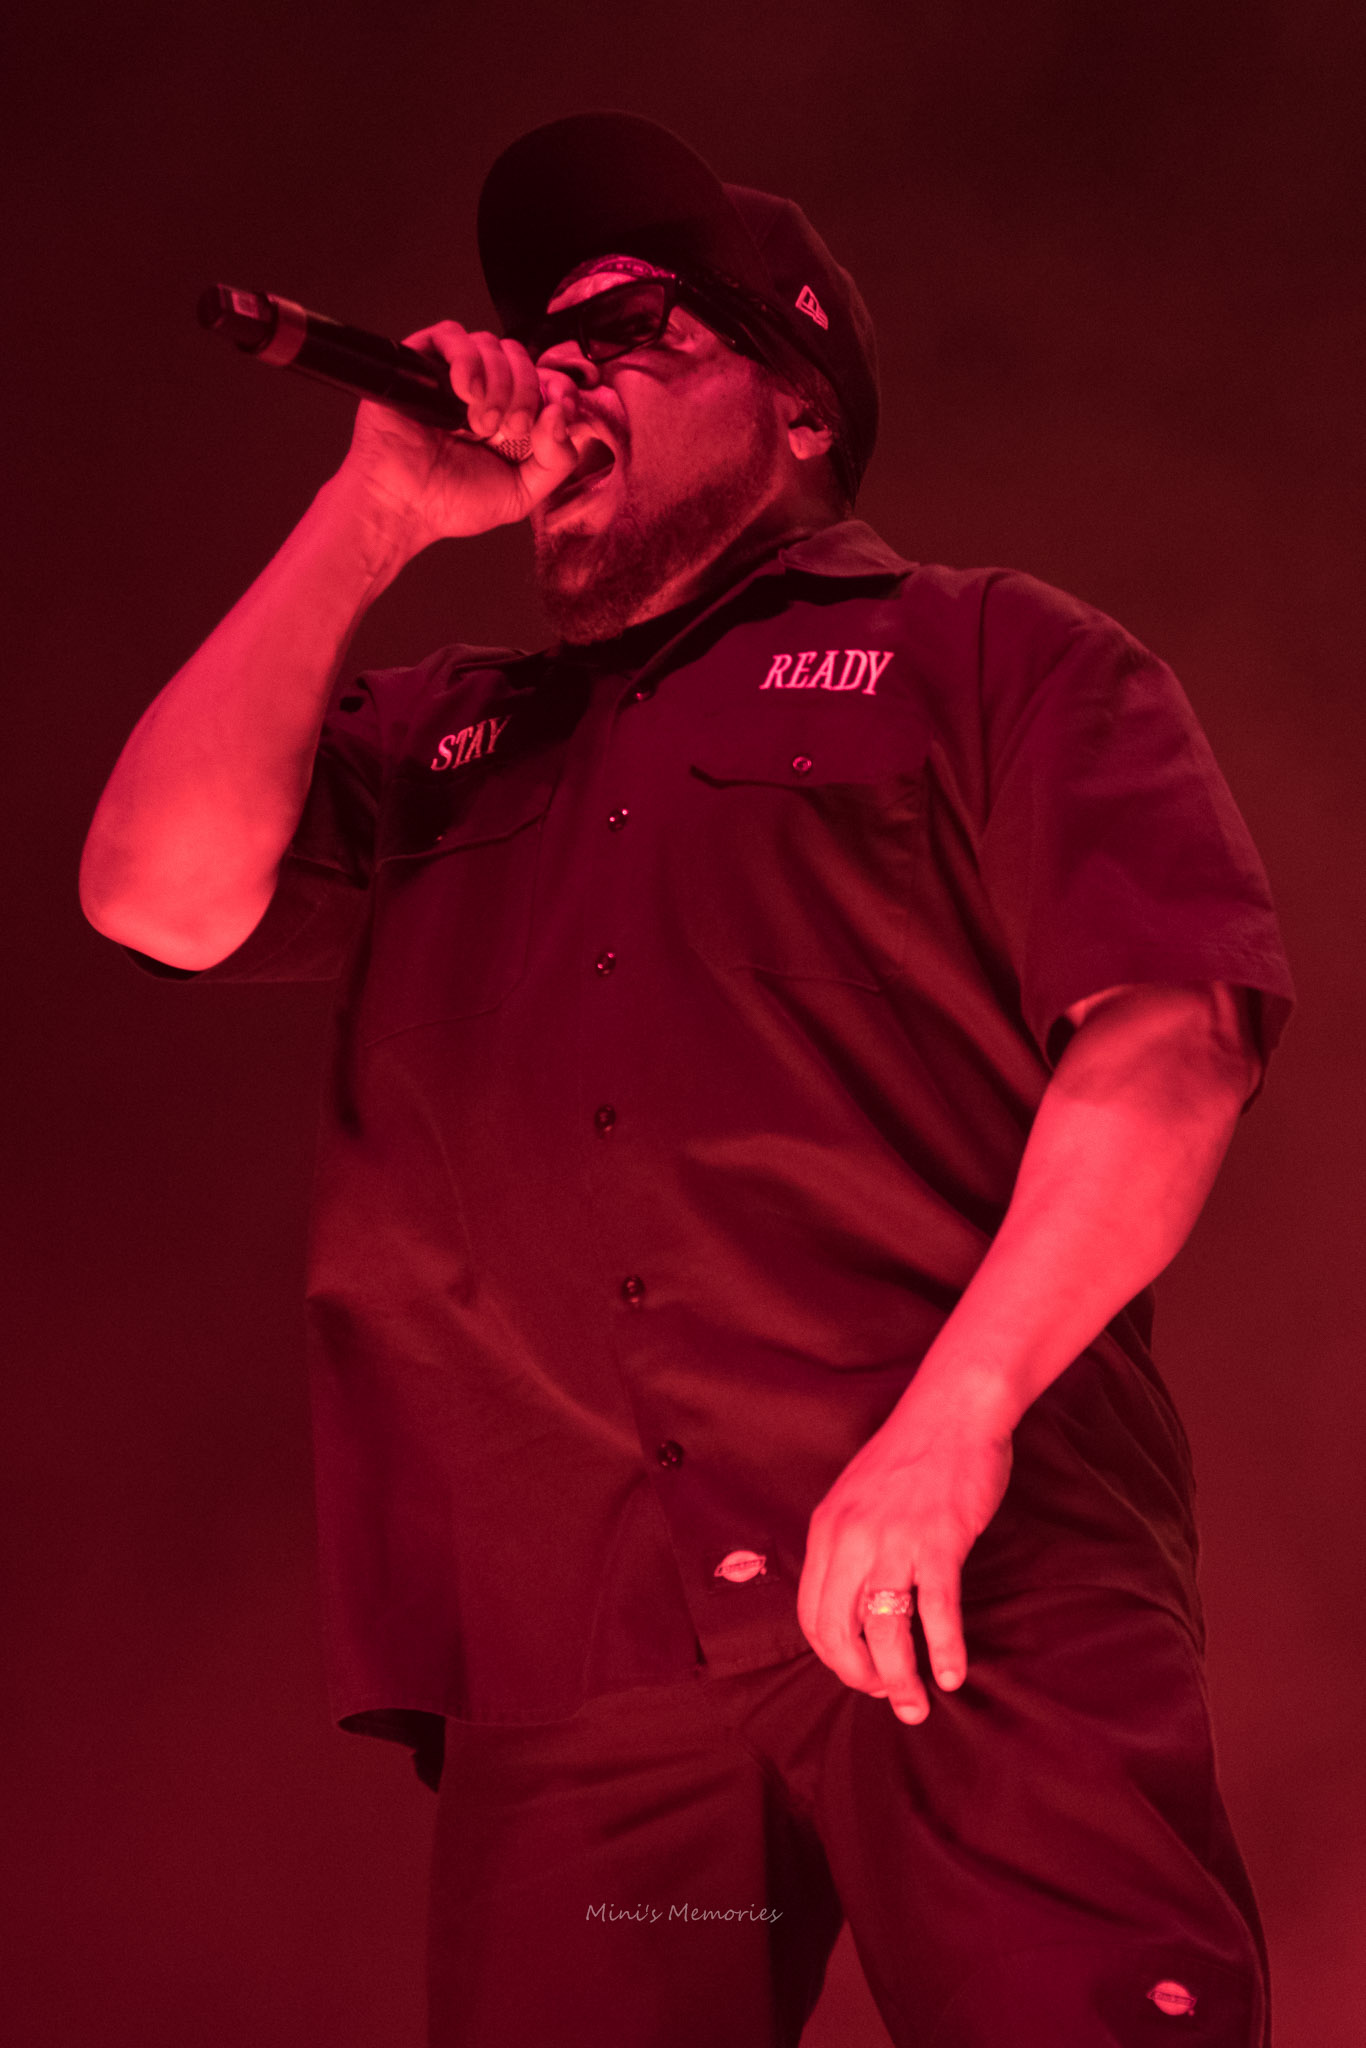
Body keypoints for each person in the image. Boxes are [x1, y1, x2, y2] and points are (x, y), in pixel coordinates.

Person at [80, 113, 1294, 2048]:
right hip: (580, 1648)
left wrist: (953, 1422)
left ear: (799, 407)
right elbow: (148, 892)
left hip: (959, 1565)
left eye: (642, 332)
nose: (569, 373)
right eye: (549, 340)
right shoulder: (448, 734)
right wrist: (372, 517)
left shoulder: (992, 655)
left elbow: (1170, 1042)